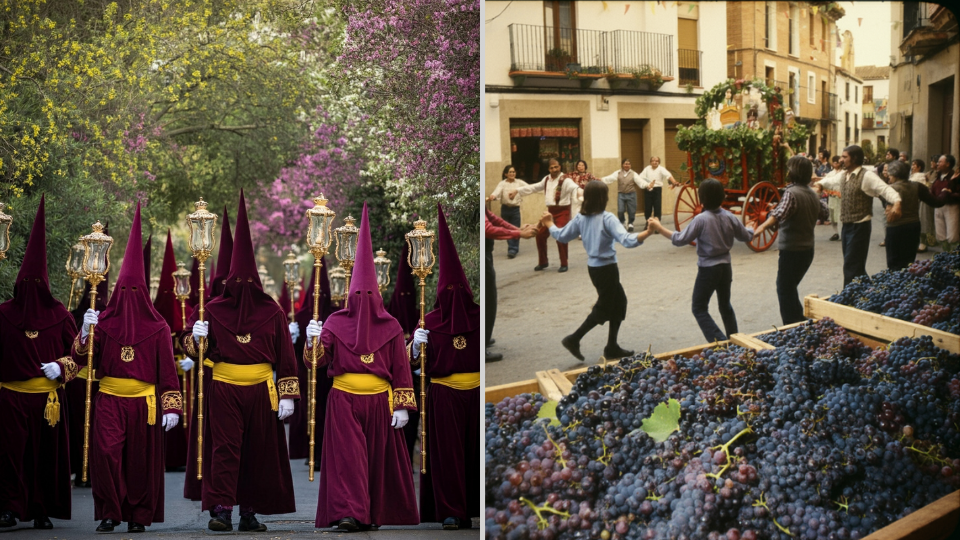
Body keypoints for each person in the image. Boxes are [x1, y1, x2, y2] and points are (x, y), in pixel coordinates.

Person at [185, 192, 299, 532]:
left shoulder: (273, 311)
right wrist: (197, 335)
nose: (244, 288)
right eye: (238, 282)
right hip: (224, 387)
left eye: (250, 282)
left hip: (262, 389)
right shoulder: (212, 310)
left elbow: (286, 356)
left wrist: (288, 395)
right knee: (224, 449)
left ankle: (250, 512)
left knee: (258, 453)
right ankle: (222, 509)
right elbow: (193, 350)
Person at [304, 203, 419, 532]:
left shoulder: (393, 326)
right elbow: (317, 361)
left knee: (374, 462)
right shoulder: (335, 322)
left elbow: (400, 369)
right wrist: (313, 340)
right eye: (358, 293)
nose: (363, 297)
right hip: (344, 399)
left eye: (369, 293)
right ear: (349, 294)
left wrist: (404, 406)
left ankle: (369, 513)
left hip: (381, 402)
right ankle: (349, 513)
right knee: (349, 459)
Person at [73, 202, 182, 534]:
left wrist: (171, 405)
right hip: (109, 400)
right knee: (105, 454)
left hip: (144, 404)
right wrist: (84, 330)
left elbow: (168, 372)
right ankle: (110, 510)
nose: (129, 296)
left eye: (135, 290)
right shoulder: (103, 323)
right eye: (124, 290)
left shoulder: (160, 328)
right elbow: (81, 359)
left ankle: (138, 515)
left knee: (140, 463)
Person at [0, 197, 78, 530]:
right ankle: (8, 507)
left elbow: (80, 355)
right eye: (26, 284)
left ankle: (42, 507)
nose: (32, 289)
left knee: (46, 457)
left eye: (37, 284)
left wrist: (61, 368)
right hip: (10, 397)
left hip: (48, 399)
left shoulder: (60, 316)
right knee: (9, 457)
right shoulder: (3, 314)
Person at [409, 203, 482, 530]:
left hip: (477, 389)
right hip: (444, 394)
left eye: (458, 290)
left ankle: (476, 504)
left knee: (475, 452)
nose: (453, 295)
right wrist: (416, 345)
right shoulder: (430, 321)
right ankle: (452, 510)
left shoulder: (479, 317)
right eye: (447, 290)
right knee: (448, 456)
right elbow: (414, 362)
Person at [544, 180, 655, 361]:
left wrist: (549, 223)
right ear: (603, 198)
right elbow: (627, 240)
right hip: (607, 269)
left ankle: (612, 346)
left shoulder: (581, 218)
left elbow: (562, 236)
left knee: (619, 302)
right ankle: (574, 338)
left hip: (595, 269)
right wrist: (648, 232)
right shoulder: (607, 218)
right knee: (604, 307)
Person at [647, 179, 754, 342]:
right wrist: (752, 227)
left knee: (699, 308)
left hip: (708, 269)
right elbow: (746, 236)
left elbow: (680, 239)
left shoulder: (701, 220)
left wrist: (659, 228)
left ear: (701, 199)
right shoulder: (729, 217)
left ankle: (720, 341)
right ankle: (736, 340)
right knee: (725, 306)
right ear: (722, 197)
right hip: (726, 267)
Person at [182, 207, 233, 503]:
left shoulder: (258, 310)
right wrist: (196, 339)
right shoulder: (206, 307)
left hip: (249, 386)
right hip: (213, 382)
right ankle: (218, 503)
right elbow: (186, 342)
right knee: (215, 444)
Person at [753, 157, 830, 324]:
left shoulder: (791, 193)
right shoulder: (812, 193)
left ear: (792, 173)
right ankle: (798, 321)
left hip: (792, 250)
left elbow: (779, 214)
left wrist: (762, 227)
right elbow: (824, 212)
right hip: (808, 250)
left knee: (784, 289)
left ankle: (792, 325)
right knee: (789, 287)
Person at [815, 145, 902, 286]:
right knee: (856, 266)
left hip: (860, 227)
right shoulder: (844, 175)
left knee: (851, 265)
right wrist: (820, 184)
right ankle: (868, 293)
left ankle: (848, 297)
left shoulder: (866, 176)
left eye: (844, 157)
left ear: (854, 158)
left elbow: (885, 189)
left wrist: (897, 202)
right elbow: (830, 181)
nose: (841, 160)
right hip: (847, 226)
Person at [288, 261, 334, 463]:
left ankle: (325, 452)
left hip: (328, 374)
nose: (318, 299)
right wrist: (296, 336)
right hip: (307, 373)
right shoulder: (301, 315)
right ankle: (309, 451)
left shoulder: (333, 314)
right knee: (309, 410)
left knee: (326, 411)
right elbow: (294, 348)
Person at [510, 158, 580, 272]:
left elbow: (574, 188)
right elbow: (534, 187)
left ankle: (564, 263)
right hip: (550, 212)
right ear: (548, 169)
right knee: (540, 234)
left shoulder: (565, 180)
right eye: (552, 167)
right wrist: (517, 190)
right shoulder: (547, 179)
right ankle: (543, 262)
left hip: (563, 211)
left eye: (556, 167)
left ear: (560, 167)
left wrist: (581, 192)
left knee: (561, 236)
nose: (554, 169)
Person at [485, 209, 536, 363]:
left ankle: (485, 338)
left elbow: (494, 219)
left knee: (490, 298)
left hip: (486, 252)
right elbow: (489, 229)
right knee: (489, 299)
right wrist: (519, 234)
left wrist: (518, 229)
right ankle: (481, 347)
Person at [883, 160, 945, 269]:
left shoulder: (890, 189)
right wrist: (945, 192)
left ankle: (895, 283)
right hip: (913, 227)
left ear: (894, 174)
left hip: (895, 229)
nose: (888, 176)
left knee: (894, 262)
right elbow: (936, 202)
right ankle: (907, 283)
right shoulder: (918, 186)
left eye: (889, 174)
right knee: (909, 262)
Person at [486, 165, 528, 258]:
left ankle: (513, 249)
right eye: (510, 172)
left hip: (515, 209)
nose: (512, 174)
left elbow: (528, 188)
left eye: (513, 172)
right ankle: (511, 246)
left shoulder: (519, 183)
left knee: (515, 228)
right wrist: (493, 196)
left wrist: (518, 191)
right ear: (506, 174)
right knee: (507, 229)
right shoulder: (502, 183)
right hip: (505, 209)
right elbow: (496, 192)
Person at [601, 159, 645, 231]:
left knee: (632, 210)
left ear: (630, 165)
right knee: (620, 210)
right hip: (621, 194)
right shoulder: (618, 173)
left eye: (628, 164)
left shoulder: (634, 174)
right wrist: (601, 180)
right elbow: (610, 178)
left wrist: (648, 185)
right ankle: (622, 222)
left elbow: (640, 181)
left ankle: (630, 223)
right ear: (622, 165)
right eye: (625, 164)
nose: (627, 165)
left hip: (631, 194)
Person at [637, 156, 680, 227]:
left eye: (656, 161)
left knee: (657, 207)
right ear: (650, 162)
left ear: (659, 162)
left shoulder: (661, 169)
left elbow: (668, 175)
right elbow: (640, 177)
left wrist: (674, 182)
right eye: (653, 161)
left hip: (657, 190)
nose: (655, 162)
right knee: (648, 207)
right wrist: (645, 184)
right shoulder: (647, 169)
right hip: (648, 189)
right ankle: (648, 222)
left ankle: (657, 224)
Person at [930, 155, 960, 252]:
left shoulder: (956, 176)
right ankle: (945, 255)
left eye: (940, 162)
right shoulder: (938, 176)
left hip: (951, 207)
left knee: (952, 235)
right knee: (940, 234)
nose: (937, 164)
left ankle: (954, 258)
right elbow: (934, 190)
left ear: (948, 164)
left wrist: (948, 194)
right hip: (938, 206)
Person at [910, 159, 935, 253]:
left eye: (914, 165)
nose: (912, 167)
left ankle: (923, 244)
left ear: (919, 167)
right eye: (912, 164)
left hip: (921, 203)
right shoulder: (913, 175)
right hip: (914, 203)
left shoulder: (920, 176)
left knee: (922, 222)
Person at [819, 155, 844, 240]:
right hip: (832, 196)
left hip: (840, 197)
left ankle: (841, 234)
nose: (834, 164)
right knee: (832, 215)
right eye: (833, 163)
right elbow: (825, 182)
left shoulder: (843, 173)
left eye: (836, 162)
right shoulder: (830, 173)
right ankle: (835, 232)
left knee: (839, 216)